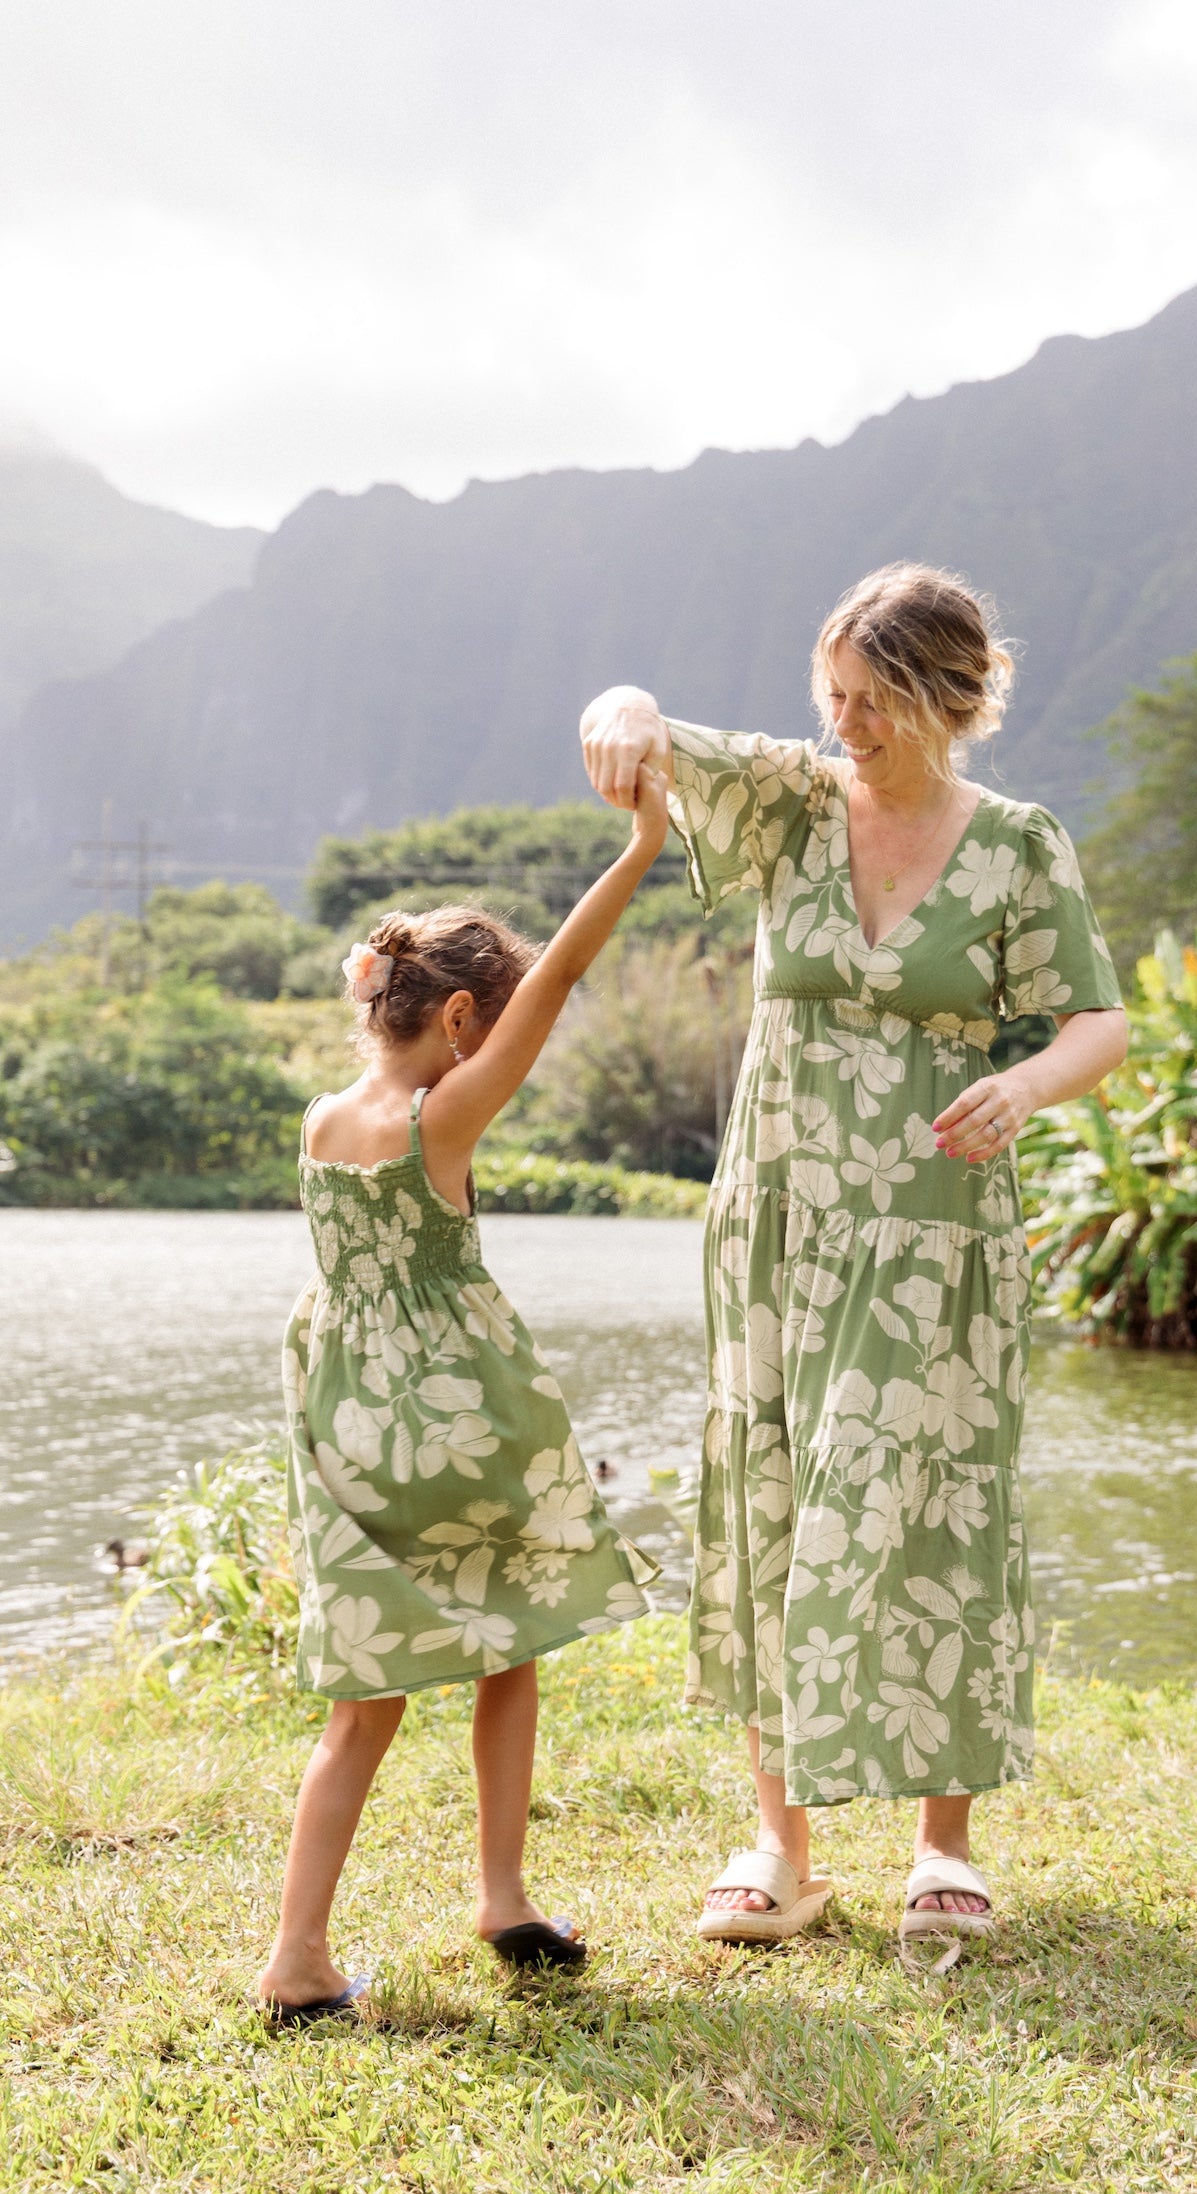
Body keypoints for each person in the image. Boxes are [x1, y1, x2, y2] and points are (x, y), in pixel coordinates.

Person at [580, 564, 1127, 1952]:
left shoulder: (1017, 846)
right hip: (777, 1219)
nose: (845, 724)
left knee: (932, 1500)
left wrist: (1024, 1086)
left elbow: (1095, 1025)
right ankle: (778, 1843)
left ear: (952, 698)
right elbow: (656, 732)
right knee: (769, 1494)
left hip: (936, 1227)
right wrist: (624, 704)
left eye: (873, 701)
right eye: (831, 695)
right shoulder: (793, 801)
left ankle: (943, 1847)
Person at [257, 768, 668, 2020]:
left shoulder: (329, 1118)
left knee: (359, 1715)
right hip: (463, 1424)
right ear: (458, 1021)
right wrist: (643, 845)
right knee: (516, 1645)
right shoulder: (446, 1116)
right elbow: (560, 982)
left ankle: (297, 1959)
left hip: (346, 1436)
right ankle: (500, 1891)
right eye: (486, 1026)